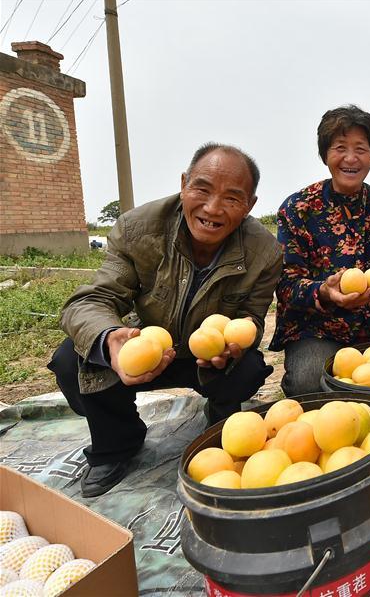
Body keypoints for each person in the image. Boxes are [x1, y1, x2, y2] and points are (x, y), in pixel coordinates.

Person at [48, 143, 282, 497]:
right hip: (150, 348)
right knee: (73, 359)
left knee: (248, 368)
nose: (212, 208)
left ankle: (220, 417)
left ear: (249, 205)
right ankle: (117, 443)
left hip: (206, 360)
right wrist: (110, 340)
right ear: (185, 183)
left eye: (232, 198)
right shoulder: (138, 229)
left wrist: (233, 347)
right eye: (202, 189)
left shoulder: (265, 251)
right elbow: (93, 299)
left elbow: (251, 317)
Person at [271, 105, 370, 396]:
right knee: (310, 384)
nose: (351, 158)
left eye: (361, 148)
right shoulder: (298, 208)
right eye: (340, 148)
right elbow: (286, 285)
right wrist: (323, 292)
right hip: (316, 328)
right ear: (325, 155)